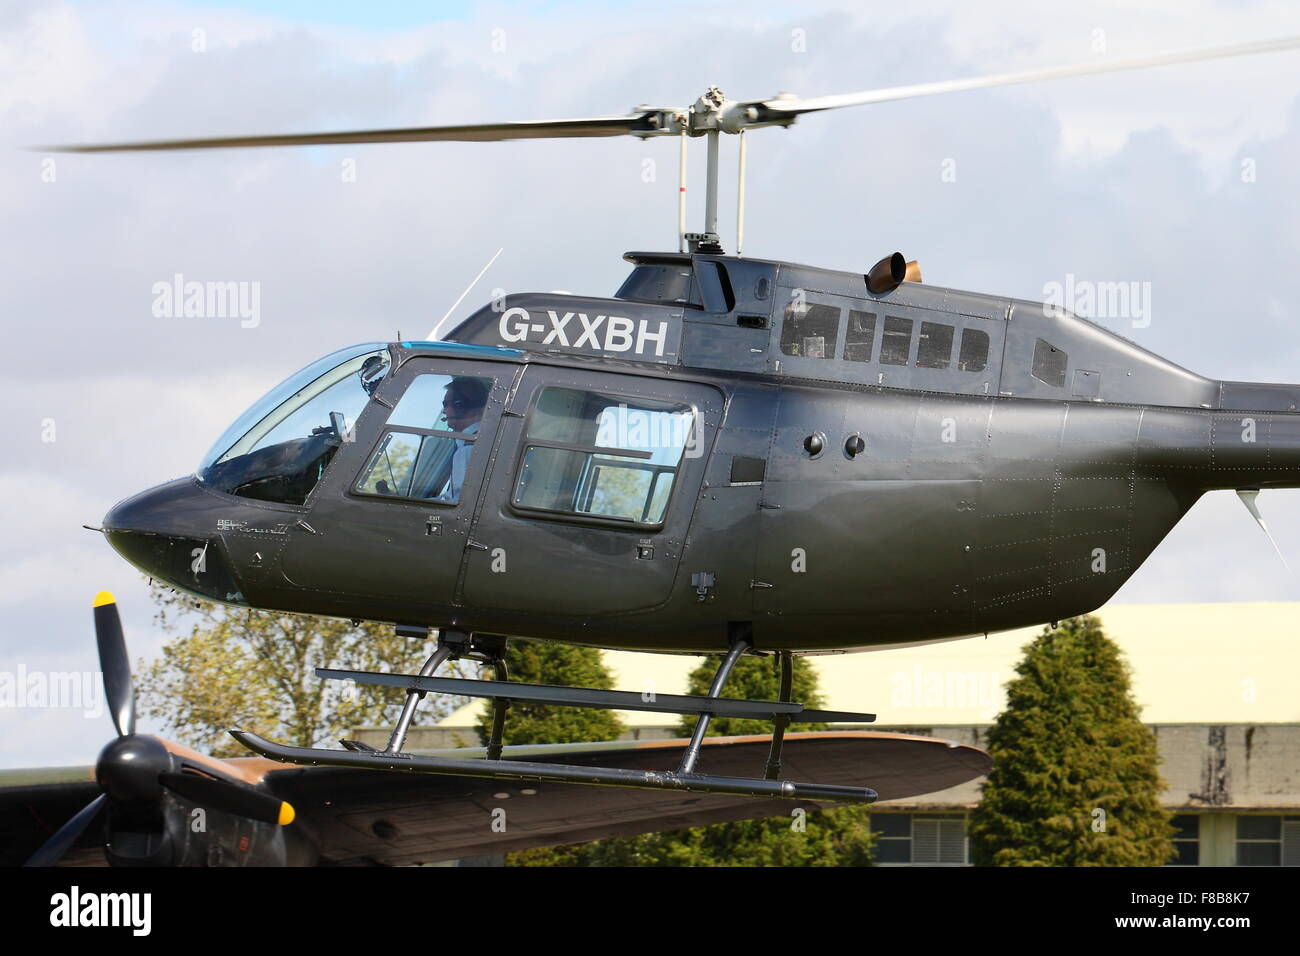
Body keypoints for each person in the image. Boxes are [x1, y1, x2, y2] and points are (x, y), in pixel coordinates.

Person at [436, 377, 488, 502]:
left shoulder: (468, 449)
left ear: (461, 406)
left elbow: (458, 503)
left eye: (446, 404)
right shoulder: (483, 440)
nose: (444, 411)